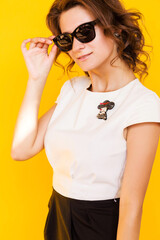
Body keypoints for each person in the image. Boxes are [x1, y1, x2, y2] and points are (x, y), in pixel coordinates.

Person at [11, 0, 160, 239]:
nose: (77, 46)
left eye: (84, 32)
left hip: (101, 224)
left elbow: (132, 208)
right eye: (66, 39)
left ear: (115, 29)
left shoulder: (142, 104)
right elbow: (21, 149)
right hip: (58, 216)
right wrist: (37, 78)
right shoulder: (73, 89)